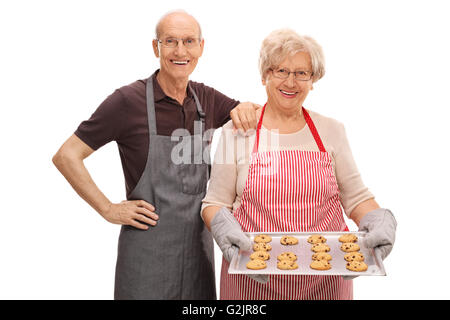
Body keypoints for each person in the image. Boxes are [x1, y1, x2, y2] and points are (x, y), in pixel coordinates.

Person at [52, 10, 260, 300]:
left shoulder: (206, 99)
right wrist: (108, 209)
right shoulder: (127, 102)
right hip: (145, 259)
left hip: (198, 256)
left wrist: (247, 106)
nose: (180, 51)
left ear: (201, 47)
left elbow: (259, 118)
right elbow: (67, 155)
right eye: (170, 41)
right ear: (156, 47)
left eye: (189, 41)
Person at [201, 29, 397, 300]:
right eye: (281, 70)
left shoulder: (331, 130)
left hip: (326, 281)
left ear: (313, 79)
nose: (290, 82)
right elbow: (215, 203)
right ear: (265, 76)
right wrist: (222, 226)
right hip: (252, 281)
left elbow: (356, 198)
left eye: (301, 73)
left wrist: (379, 219)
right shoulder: (237, 132)